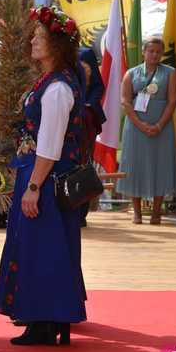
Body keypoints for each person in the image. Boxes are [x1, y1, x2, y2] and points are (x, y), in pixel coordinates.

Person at [0, 6, 85, 346]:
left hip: (45, 177)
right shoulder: (49, 82)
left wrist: (34, 186)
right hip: (37, 173)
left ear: (57, 46)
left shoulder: (58, 88)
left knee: (45, 250)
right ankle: (41, 319)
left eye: (40, 36)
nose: (33, 40)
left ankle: (48, 321)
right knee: (37, 248)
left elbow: (50, 144)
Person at [116, 37, 176, 225]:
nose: (154, 55)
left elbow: (173, 100)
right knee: (134, 166)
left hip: (162, 127)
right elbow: (125, 101)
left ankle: (156, 212)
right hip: (136, 128)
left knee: (161, 165)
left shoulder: (170, 73)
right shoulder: (131, 73)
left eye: (158, 52)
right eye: (150, 51)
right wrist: (140, 124)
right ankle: (136, 212)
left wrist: (159, 125)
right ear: (144, 52)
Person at [77, 47, 106, 227]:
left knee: (83, 164)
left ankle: (80, 213)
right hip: (59, 116)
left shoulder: (85, 53)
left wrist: (88, 105)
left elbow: (98, 86)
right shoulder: (45, 54)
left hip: (84, 119)